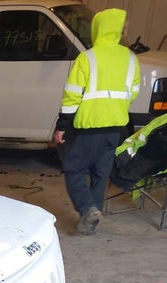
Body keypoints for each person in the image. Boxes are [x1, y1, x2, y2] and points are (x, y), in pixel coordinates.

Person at [53, 8, 140, 235]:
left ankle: (87, 209)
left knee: (74, 168)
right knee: (101, 173)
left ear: (97, 29)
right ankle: (92, 219)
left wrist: (62, 127)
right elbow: (134, 92)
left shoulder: (88, 57)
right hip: (115, 127)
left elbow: (72, 94)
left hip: (88, 126)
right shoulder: (130, 58)